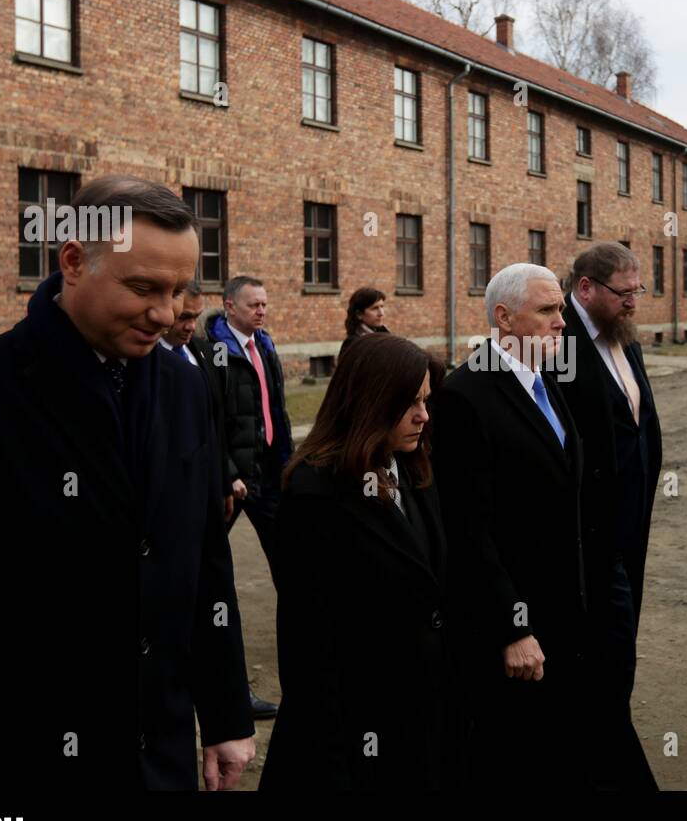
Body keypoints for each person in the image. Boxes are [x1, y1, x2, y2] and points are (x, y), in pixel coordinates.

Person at [0, 176, 256, 790]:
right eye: (144, 288)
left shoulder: (186, 389)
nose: (168, 312)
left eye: (180, 290)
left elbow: (205, 561)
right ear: (74, 261)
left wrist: (225, 714)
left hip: (157, 759)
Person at [262, 333, 459, 790]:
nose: (424, 416)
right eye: (410, 403)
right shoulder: (316, 494)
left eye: (426, 401)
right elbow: (309, 645)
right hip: (356, 733)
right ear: (371, 401)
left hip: (423, 720)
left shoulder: (413, 468)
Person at [432, 263, 600, 787]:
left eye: (562, 310)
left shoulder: (545, 378)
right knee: (507, 759)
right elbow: (467, 529)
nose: (562, 323)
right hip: (511, 630)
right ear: (504, 317)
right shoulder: (467, 395)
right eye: (548, 311)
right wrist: (512, 627)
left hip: (561, 613)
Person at [556, 243, 660, 789]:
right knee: (602, 649)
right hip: (585, 531)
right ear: (587, 288)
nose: (633, 303)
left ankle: (602, 734)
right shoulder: (559, 343)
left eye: (637, 291)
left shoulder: (625, 340)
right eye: (624, 293)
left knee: (620, 642)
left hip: (630, 524)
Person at [206, 274, 292, 719]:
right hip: (235, 481)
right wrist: (227, 475)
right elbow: (211, 419)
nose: (261, 310)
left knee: (293, 565)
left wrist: (288, 462)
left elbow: (276, 408)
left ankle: (303, 661)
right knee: (209, 573)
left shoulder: (268, 345)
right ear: (229, 306)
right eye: (253, 304)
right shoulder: (215, 350)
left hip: (270, 476)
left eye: (264, 303)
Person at [159, 279, 234, 522]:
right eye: (184, 317)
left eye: (196, 317)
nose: (191, 326)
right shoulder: (144, 359)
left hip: (206, 484)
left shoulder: (204, 352)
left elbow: (216, 421)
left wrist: (224, 481)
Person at [339, 287, 390, 358]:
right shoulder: (353, 345)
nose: (381, 313)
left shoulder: (387, 337)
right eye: (375, 308)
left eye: (382, 307)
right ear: (359, 314)